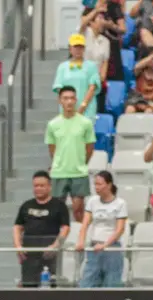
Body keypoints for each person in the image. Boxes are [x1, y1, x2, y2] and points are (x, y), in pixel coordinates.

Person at [46, 86, 96, 224]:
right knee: (56, 210)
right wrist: (58, 162)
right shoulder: (52, 124)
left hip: (79, 172)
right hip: (59, 172)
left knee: (78, 208)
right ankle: (57, 241)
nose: (69, 101)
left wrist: (81, 163)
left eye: (72, 98)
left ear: (76, 100)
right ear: (59, 101)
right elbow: (52, 149)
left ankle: (81, 239)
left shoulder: (85, 123)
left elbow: (90, 147)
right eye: (65, 98)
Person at [12, 170, 69, 286]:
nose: (38, 188)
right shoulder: (26, 205)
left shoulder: (59, 206)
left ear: (49, 187)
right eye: (36, 186)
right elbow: (17, 227)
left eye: (42, 185)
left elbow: (65, 228)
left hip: (49, 253)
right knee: (28, 286)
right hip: (30, 253)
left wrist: (55, 246)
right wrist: (18, 246)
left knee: (50, 286)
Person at [74, 169, 127, 287]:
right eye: (95, 184)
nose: (96, 187)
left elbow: (119, 230)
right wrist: (81, 241)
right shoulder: (92, 201)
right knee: (87, 282)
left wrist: (105, 245)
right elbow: (85, 224)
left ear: (109, 185)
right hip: (94, 247)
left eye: (99, 184)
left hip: (112, 248)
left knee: (111, 283)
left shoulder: (120, 203)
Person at [53, 33, 101, 116]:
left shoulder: (91, 66)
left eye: (81, 47)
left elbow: (92, 88)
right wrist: (67, 106)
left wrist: (82, 107)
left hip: (87, 110)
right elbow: (59, 88)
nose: (78, 50)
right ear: (70, 49)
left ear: (84, 49)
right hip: (67, 110)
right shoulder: (62, 67)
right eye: (75, 47)